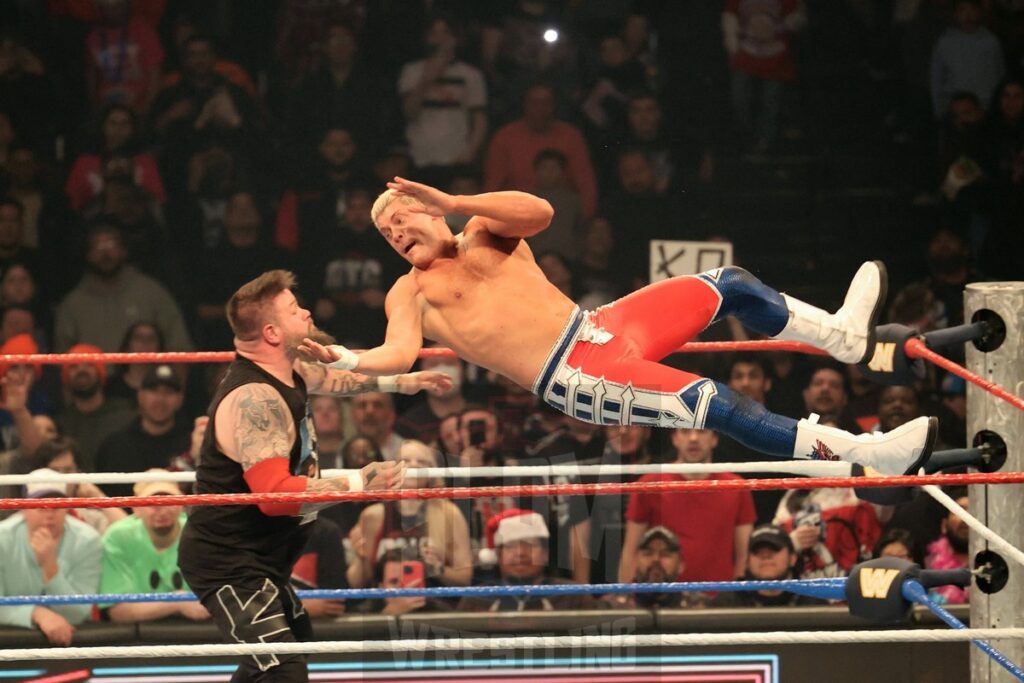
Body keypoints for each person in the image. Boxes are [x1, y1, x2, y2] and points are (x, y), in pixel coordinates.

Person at [300, 180, 938, 479]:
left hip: (602, 327)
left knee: (730, 284)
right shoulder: (410, 290)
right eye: (387, 235)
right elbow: (397, 353)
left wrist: (457, 202)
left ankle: (845, 338)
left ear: (430, 211)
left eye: (403, 222)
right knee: (713, 401)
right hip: (572, 372)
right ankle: (865, 454)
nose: (397, 236)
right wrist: (343, 357)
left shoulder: (483, 228)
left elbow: (543, 212)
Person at [177, 270, 449, 681]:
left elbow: (339, 379)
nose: (305, 311)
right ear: (271, 332)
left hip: (262, 556)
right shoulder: (255, 398)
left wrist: (403, 382)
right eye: (292, 310)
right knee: (282, 666)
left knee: (288, 646)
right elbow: (274, 495)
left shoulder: (291, 369)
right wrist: (359, 483)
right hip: (227, 561)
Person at [0, 469, 102, 645]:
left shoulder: (88, 541)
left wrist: (49, 566)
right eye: (40, 506)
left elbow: (78, 614)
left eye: (56, 506)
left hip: (73, 640)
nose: (49, 514)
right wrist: (36, 613)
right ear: (24, 508)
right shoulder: (3, 538)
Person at [99, 472, 209, 623]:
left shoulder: (201, 533)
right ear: (136, 508)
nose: (162, 510)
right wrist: (177, 602)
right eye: (152, 503)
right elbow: (118, 611)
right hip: (136, 638)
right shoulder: (118, 537)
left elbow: (217, 600)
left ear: (181, 505)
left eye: (168, 501)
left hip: (197, 632)